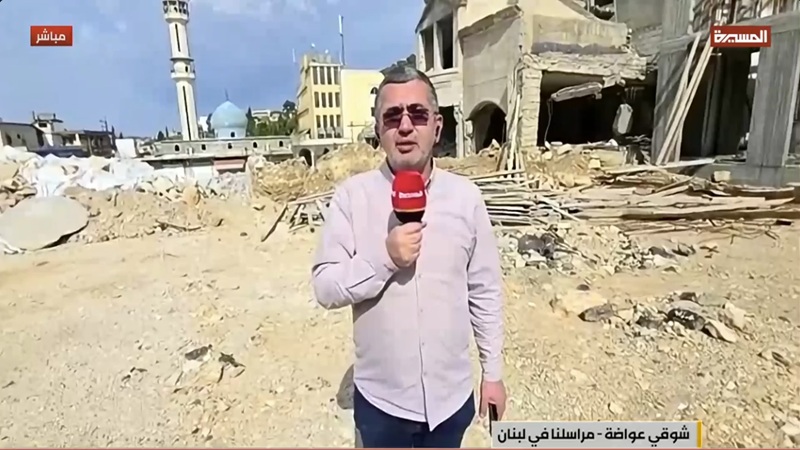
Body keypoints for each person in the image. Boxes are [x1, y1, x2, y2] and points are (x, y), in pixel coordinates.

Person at [311, 65, 506, 448]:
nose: (404, 126)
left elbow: (484, 291)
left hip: (451, 402)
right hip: (382, 406)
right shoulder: (352, 198)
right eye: (392, 116)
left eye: (417, 114)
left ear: (437, 126)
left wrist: (493, 373)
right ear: (377, 129)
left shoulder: (466, 199)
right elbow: (325, 287)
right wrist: (383, 258)